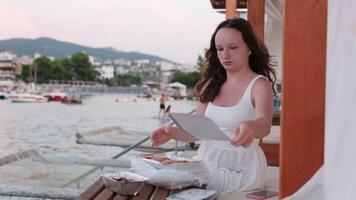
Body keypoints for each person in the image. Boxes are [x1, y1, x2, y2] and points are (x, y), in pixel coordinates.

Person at [151, 18, 276, 193]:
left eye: (233, 48)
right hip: (207, 162)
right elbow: (197, 131)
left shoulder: (259, 84)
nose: (225, 54)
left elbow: (264, 124)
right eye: (219, 49)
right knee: (156, 175)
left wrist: (251, 126)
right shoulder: (212, 84)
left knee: (171, 182)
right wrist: (171, 132)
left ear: (249, 48)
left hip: (241, 169)